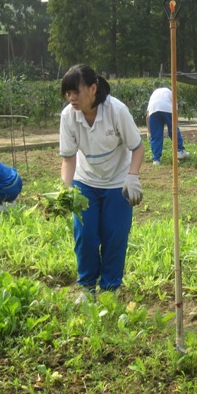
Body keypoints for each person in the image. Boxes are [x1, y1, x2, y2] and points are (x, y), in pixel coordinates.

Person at [59, 64, 144, 301]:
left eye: (76, 92)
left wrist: (132, 176)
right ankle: (87, 288)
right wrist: (65, 190)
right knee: (85, 235)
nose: (71, 98)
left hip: (118, 181)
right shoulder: (68, 116)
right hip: (85, 181)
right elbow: (68, 159)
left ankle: (109, 289)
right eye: (68, 93)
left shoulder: (116, 111)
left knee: (115, 236)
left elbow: (137, 148)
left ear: (93, 88)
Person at [146, 87, 190, 165]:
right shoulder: (171, 93)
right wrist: (176, 125)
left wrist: (149, 131)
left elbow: (147, 115)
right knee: (173, 130)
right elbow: (175, 111)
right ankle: (179, 151)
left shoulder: (154, 94)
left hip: (153, 110)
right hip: (167, 108)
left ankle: (156, 159)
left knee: (156, 135)